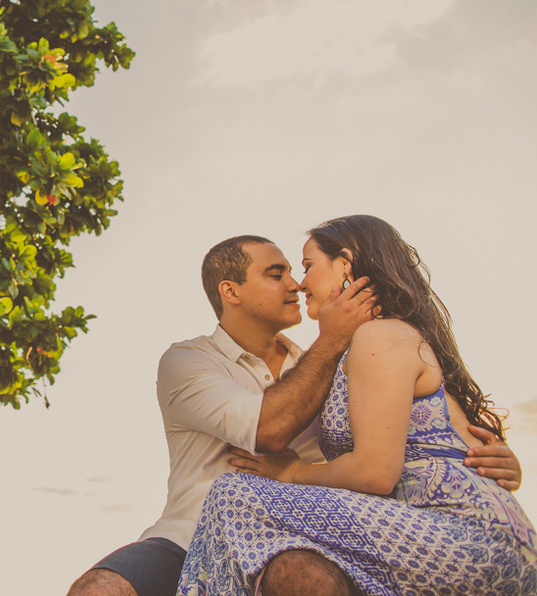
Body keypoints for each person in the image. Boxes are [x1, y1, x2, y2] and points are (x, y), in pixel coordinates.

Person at [67, 233, 523, 596]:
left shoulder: (333, 362)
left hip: (304, 537)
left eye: (298, 270)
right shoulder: (188, 361)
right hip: (187, 535)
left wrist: (490, 461)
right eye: (277, 274)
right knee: (99, 589)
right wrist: (332, 339)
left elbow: (404, 432)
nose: (295, 284)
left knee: (302, 575)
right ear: (231, 291)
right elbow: (269, 429)